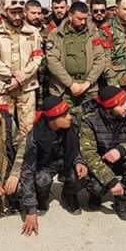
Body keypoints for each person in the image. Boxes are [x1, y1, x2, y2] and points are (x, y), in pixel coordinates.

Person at [20, 97, 88, 235]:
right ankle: (42, 199)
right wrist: (31, 210)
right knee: (41, 179)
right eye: (64, 115)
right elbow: (27, 171)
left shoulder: (71, 126)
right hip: (45, 166)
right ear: (52, 119)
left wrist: (79, 162)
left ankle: (69, 195)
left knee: (81, 175)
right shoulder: (35, 136)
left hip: (66, 162)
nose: (69, 117)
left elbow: (77, 148)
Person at [79, 86, 126, 220]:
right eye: (121, 104)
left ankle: (121, 202)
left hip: (122, 159)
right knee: (96, 188)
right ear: (109, 108)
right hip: (101, 161)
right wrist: (111, 181)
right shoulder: (90, 120)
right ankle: (95, 196)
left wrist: (121, 150)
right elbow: (89, 154)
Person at [0, 0, 44, 135]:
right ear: (5, 12)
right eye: (13, 13)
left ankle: (26, 150)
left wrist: (23, 76)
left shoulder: (33, 32)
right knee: (4, 127)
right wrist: (13, 74)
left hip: (27, 86)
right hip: (4, 86)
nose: (17, 17)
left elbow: (37, 57)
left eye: (20, 12)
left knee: (28, 128)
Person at [46, 1, 106, 110]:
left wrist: (88, 82)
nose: (83, 22)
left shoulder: (93, 33)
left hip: (89, 89)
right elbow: (52, 61)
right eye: (79, 19)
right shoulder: (56, 34)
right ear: (70, 16)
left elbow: (100, 58)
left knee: (90, 119)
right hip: (64, 90)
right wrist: (71, 84)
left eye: (85, 19)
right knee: (65, 118)